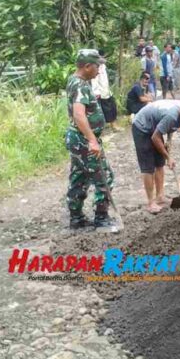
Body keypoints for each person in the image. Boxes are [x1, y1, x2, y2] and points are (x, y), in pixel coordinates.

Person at [65, 49, 115, 232]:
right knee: (105, 177)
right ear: (87, 66)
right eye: (97, 66)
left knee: (79, 176)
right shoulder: (81, 85)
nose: (99, 70)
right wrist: (92, 140)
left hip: (77, 138)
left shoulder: (75, 81)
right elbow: (79, 115)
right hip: (83, 140)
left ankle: (76, 219)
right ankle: (101, 219)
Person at [132, 98, 180, 214]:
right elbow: (155, 137)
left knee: (160, 163)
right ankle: (151, 203)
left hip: (155, 128)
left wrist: (169, 140)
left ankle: (160, 197)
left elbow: (170, 127)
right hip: (142, 127)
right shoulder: (172, 115)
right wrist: (168, 157)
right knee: (148, 167)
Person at [92, 50, 118, 130]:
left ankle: (113, 125)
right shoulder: (95, 67)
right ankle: (109, 127)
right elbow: (94, 81)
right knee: (103, 111)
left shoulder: (103, 66)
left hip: (106, 91)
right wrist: (96, 92)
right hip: (99, 93)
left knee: (112, 107)